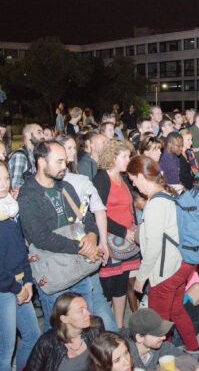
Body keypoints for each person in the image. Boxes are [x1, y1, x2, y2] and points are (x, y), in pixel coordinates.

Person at [126, 155, 199, 365]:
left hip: (166, 270)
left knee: (157, 323)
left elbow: (152, 249)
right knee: (176, 310)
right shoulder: (168, 194)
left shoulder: (154, 204)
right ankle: (193, 350)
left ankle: (161, 362)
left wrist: (140, 278)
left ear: (142, 176)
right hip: (183, 265)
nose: (133, 184)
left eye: (133, 180)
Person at [18, 141, 102, 332]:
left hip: (79, 270)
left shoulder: (65, 187)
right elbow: (41, 238)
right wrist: (82, 247)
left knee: (83, 326)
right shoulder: (27, 195)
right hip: (55, 275)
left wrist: (91, 235)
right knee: (58, 333)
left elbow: (85, 215)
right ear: (41, 162)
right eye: (59, 161)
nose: (65, 166)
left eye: (65, 161)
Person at [56, 134, 118, 331]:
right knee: (91, 297)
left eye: (74, 148)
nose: (72, 152)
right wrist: (101, 242)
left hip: (81, 247)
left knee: (85, 300)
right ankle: (110, 342)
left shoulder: (79, 179)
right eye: (68, 148)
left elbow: (99, 210)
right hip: (73, 249)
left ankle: (102, 343)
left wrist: (102, 242)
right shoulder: (68, 180)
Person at [93, 139, 140, 329]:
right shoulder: (102, 179)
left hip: (126, 242)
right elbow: (98, 212)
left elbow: (129, 207)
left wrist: (134, 226)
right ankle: (105, 329)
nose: (128, 160)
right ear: (113, 158)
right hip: (111, 242)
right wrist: (123, 231)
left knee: (121, 286)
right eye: (125, 156)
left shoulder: (124, 178)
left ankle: (119, 327)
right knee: (107, 289)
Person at [0, 161, 40, 371]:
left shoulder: (10, 208)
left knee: (32, 336)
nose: (3, 184)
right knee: (4, 351)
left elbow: (21, 248)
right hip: (4, 290)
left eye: (6, 178)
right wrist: (17, 288)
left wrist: (27, 280)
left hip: (19, 284)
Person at [25, 292, 104, 371]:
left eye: (86, 308)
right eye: (80, 311)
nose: (88, 313)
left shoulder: (96, 327)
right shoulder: (47, 343)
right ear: (64, 319)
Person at [121, 308, 199, 371]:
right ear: (139, 338)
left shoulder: (158, 346)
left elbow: (184, 358)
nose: (163, 337)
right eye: (157, 334)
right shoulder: (125, 360)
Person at [8, 123, 44, 193]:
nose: (43, 136)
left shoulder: (34, 156)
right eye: (39, 132)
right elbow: (15, 185)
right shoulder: (20, 156)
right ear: (27, 134)